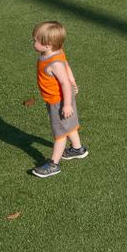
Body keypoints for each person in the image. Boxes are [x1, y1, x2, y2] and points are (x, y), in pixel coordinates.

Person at [29, 20, 87, 178]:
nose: (33, 42)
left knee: (60, 134)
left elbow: (64, 83)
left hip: (59, 102)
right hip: (58, 100)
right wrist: (73, 79)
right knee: (68, 125)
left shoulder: (53, 63)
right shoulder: (56, 51)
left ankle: (54, 164)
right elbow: (66, 64)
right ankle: (77, 149)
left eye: (35, 40)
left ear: (47, 45)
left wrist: (67, 105)